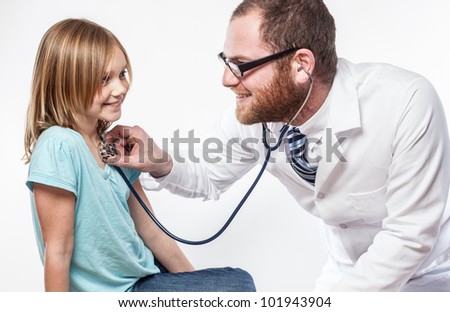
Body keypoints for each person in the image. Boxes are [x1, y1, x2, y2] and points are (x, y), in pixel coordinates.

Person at [105, 0, 450, 291]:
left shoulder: (405, 102)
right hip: (346, 273)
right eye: (226, 62)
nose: (226, 79)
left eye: (241, 65)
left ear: (301, 65)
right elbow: (208, 175)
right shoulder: (262, 113)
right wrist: (157, 161)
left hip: (429, 277)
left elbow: (408, 236)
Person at [23, 18, 256, 292]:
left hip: (146, 278)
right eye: (103, 79)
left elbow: (152, 232)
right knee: (239, 286)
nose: (120, 88)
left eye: (122, 74)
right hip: (122, 293)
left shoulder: (111, 146)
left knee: (234, 288)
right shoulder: (59, 146)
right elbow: (58, 251)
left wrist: (196, 288)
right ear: (68, 83)